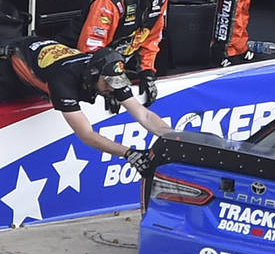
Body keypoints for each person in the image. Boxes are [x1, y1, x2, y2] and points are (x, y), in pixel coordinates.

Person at [0, 40, 172, 171]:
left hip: (41, 53)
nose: (113, 87)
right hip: (11, 64)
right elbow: (86, 134)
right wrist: (128, 153)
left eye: (117, 82)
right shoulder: (63, 81)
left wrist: (173, 136)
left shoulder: (108, 71)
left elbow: (144, 114)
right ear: (93, 75)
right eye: (109, 83)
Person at [57, 0, 170, 107]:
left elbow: (151, 39)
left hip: (112, 64)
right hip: (70, 64)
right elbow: (90, 49)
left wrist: (147, 73)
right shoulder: (112, 1)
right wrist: (106, 85)